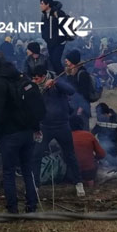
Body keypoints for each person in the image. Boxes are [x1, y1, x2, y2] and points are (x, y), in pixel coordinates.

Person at [0, 55, 39, 214]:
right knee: (27, 169)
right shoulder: (19, 77)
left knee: (8, 172)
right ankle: (32, 205)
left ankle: (12, 209)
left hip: (10, 133)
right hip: (27, 130)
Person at [31, 65, 85, 197]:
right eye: (33, 78)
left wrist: (56, 83)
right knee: (36, 155)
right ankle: (35, 185)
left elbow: (71, 90)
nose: (34, 80)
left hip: (62, 126)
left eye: (36, 78)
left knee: (70, 155)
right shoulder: (35, 87)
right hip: (45, 127)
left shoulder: (56, 81)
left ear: (43, 76)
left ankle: (78, 183)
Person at [70, 116, 106, 187]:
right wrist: (95, 158)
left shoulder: (67, 136)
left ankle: (77, 184)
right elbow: (102, 154)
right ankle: (90, 187)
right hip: (88, 170)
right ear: (82, 124)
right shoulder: (89, 135)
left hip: (72, 171)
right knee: (90, 169)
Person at [39, 0, 70, 74]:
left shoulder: (58, 13)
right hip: (50, 42)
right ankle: (57, 79)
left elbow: (66, 24)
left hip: (59, 42)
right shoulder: (44, 15)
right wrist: (45, 37)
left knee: (56, 61)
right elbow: (43, 27)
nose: (40, 5)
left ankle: (63, 78)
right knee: (52, 61)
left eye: (42, 3)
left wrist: (60, 38)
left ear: (47, 4)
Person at [64, 50, 92, 130]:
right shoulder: (71, 72)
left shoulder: (82, 73)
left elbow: (85, 93)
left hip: (82, 108)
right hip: (73, 106)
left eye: (68, 59)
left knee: (83, 129)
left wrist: (81, 108)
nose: (65, 61)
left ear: (73, 60)